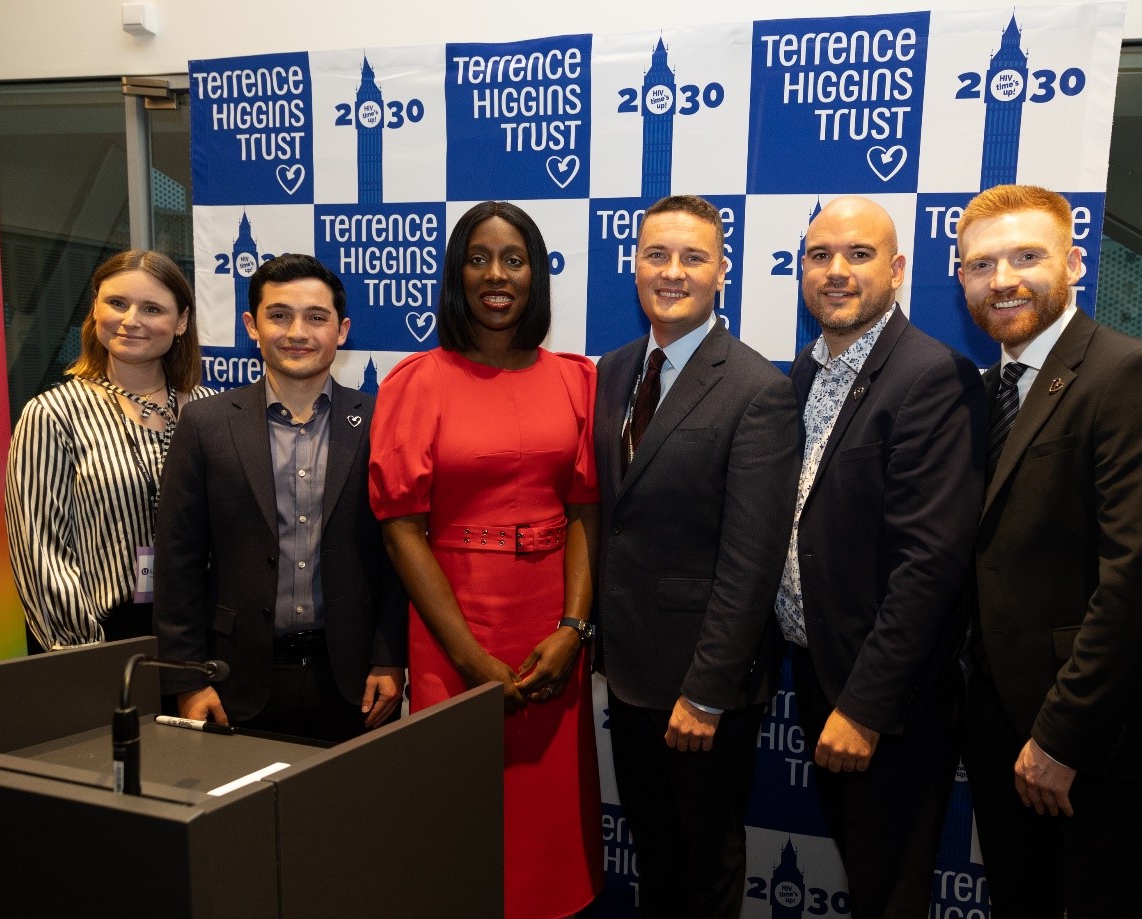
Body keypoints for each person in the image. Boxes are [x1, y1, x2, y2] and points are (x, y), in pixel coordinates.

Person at [956, 184, 1142, 918]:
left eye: (1025, 256)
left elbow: (1139, 584)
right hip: (1002, 719)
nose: (1002, 280)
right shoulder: (985, 389)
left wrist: (1059, 738)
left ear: (1073, 263)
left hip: (1096, 733)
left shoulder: (1134, 377)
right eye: (981, 265)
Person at [369, 202, 602, 919]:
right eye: (478, 258)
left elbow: (584, 511)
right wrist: (469, 659)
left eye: (513, 258)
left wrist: (572, 628)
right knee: (461, 830)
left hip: (551, 634)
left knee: (550, 834)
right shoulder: (416, 381)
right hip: (451, 632)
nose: (496, 275)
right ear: (455, 274)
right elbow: (401, 527)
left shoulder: (575, 380)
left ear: (536, 274)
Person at [778, 196, 987, 917]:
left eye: (858, 255)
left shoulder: (931, 375)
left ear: (896, 270)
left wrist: (864, 707)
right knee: (862, 872)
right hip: (816, 666)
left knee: (889, 889)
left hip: (888, 696)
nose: (835, 272)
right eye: (818, 255)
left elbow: (929, 564)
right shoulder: (803, 373)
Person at [595, 194, 800, 918]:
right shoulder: (613, 371)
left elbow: (751, 561)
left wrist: (706, 690)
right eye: (656, 255)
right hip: (627, 671)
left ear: (722, 271)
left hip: (701, 685)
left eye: (692, 257)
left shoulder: (757, 389)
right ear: (634, 265)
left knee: (705, 863)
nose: (671, 271)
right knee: (654, 854)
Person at [153, 253, 406, 743]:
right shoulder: (205, 425)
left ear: (342, 329)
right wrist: (186, 679)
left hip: (355, 684)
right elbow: (177, 562)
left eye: (316, 317)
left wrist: (390, 655)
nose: (297, 332)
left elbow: (398, 555)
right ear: (252, 325)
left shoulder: (382, 420)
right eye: (279, 315)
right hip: (231, 682)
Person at [5, 250, 213, 652]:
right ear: (95, 309)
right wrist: (86, 655)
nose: (131, 320)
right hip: (103, 636)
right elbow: (40, 553)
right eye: (117, 303)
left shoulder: (210, 410)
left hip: (202, 632)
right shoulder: (51, 414)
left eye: (152, 308)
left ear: (181, 321)